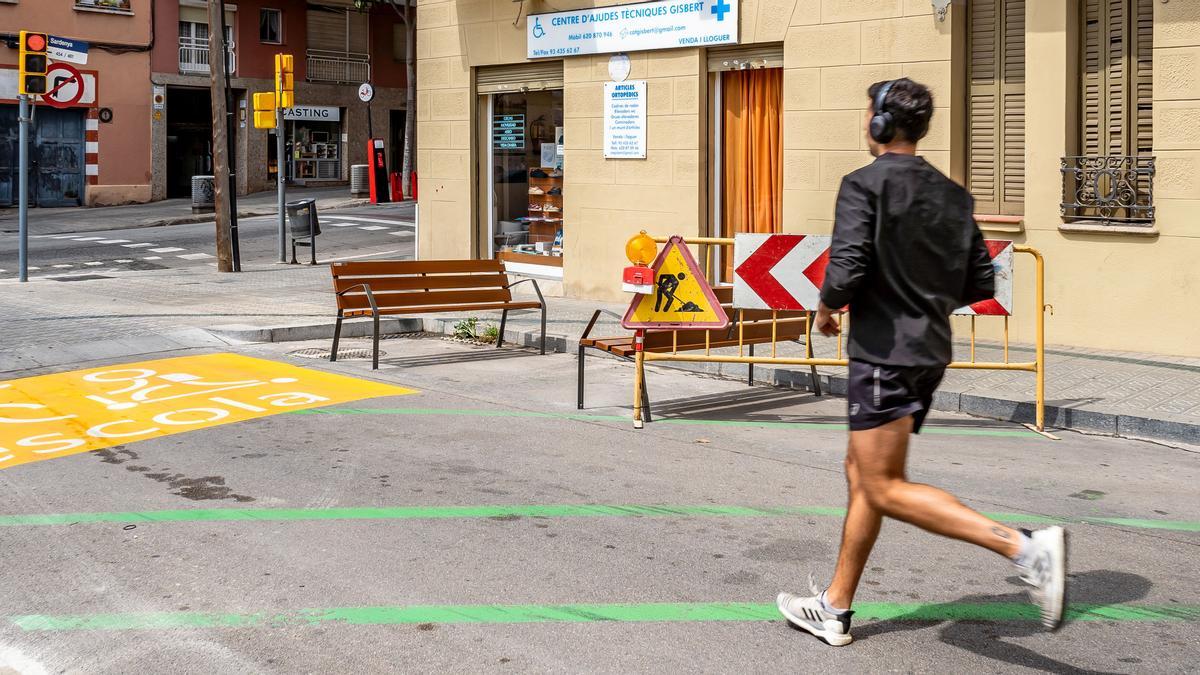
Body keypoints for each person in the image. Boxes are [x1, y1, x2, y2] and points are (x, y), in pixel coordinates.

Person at [775, 79, 1067, 646]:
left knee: (882, 485)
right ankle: (834, 607)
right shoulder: (954, 195)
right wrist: (924, 301)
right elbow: (982, 280)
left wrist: (829, 308)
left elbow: (848, 267)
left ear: (881, 124)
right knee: (862, 474)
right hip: (927, 351)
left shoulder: (864, 185)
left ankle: (1026, 548)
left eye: (867, 113)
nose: (865, 121)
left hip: (885, 354)